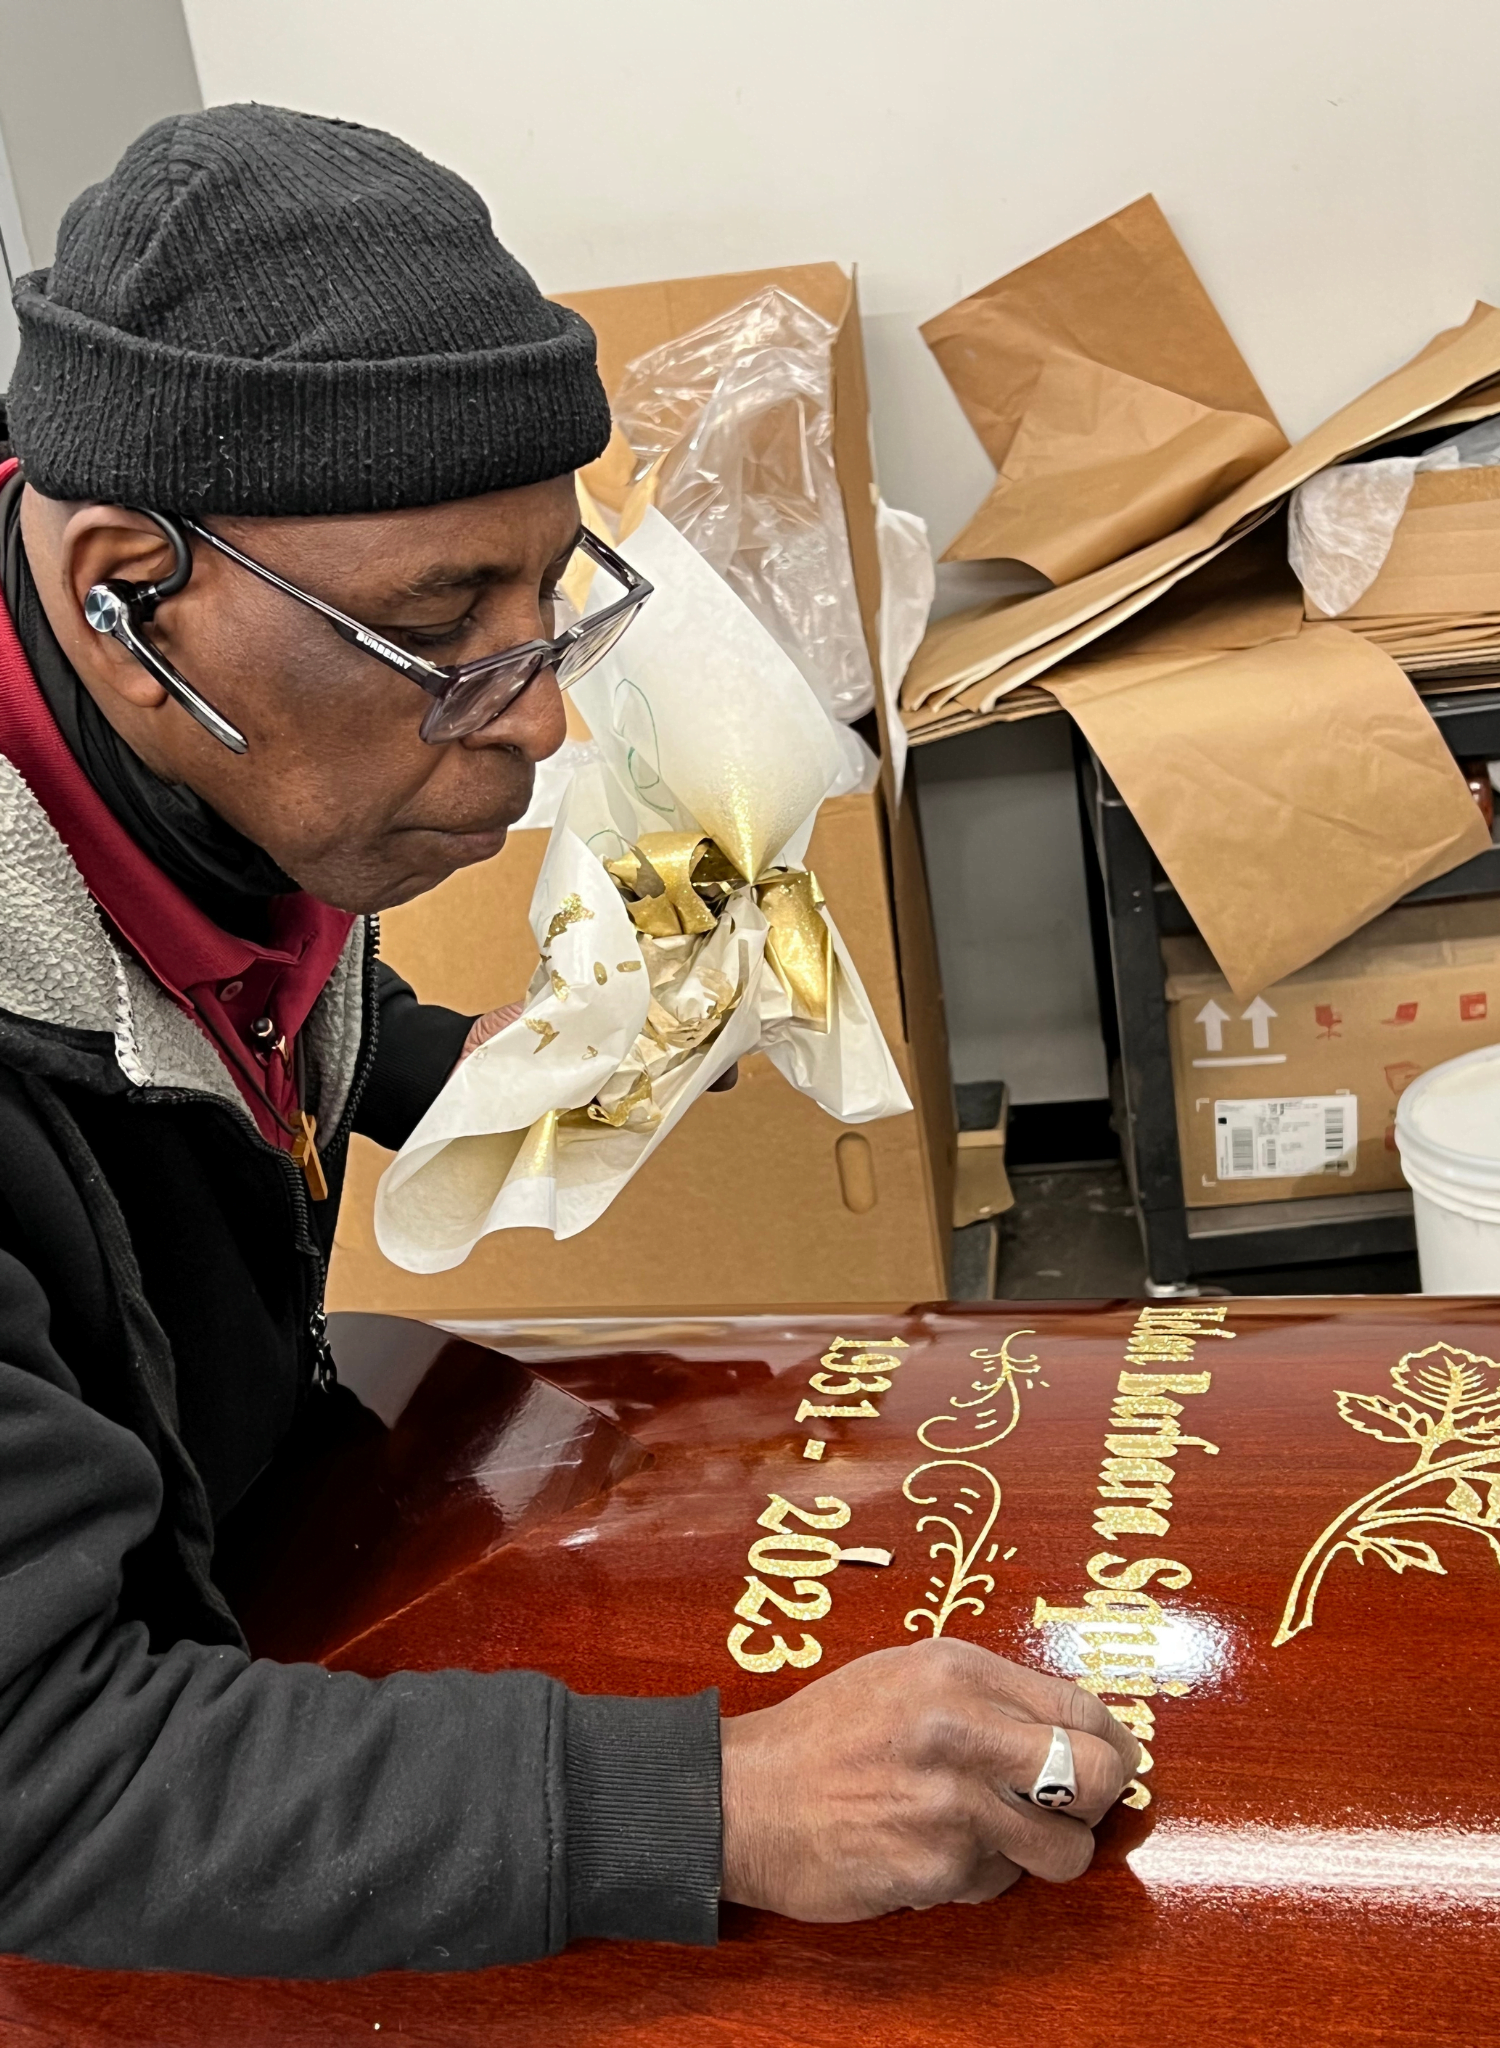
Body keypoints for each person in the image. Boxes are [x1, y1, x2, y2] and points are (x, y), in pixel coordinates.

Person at [0, 103, 1139, 1978]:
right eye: (451, 631)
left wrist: (466, 1070)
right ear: (129, 594)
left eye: (557, 597)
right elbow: (39, 1772)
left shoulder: (186, 724)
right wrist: (721, 1805)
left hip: (251, 1543)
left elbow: (201, 975)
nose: (532, 727)